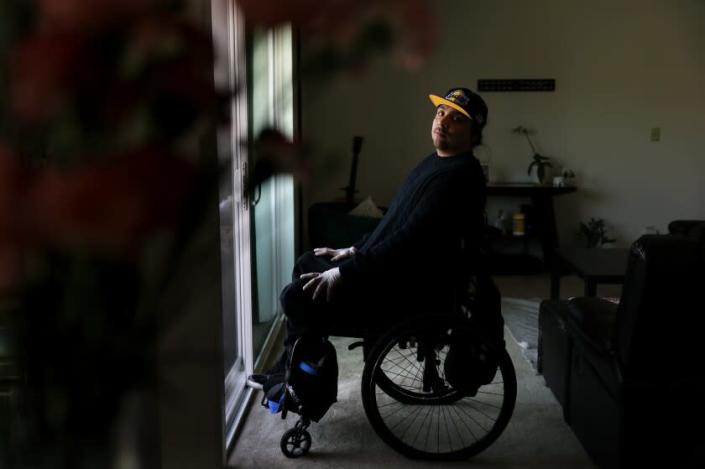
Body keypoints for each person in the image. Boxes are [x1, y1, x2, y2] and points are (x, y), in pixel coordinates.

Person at [248, 87, 502, 389]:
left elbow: (410, 241)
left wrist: (345, 272)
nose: (442, 121)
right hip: (394, 270)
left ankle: (305, 380)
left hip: (407, 287)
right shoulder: (437, 162)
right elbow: (396, 220)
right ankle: (292, 365)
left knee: (296, 297)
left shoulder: (459, 177)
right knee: (307, 264)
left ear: (474, 133)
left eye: (456, 118)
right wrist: (354, 249)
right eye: (440, 112)